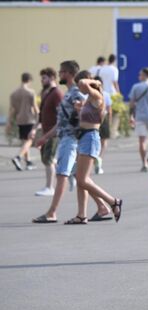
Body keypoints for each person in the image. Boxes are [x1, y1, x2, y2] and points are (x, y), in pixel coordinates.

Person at [32, 61, 110, 223]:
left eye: (61, 72)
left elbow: (87, 114)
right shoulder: (69, 93)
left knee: (62, 174)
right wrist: (46, 137)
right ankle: (102, 206)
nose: (59, 74)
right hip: (72, 139)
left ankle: (52, 212)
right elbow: (63, 122)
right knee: (81, 178)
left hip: (72, 140)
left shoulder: (76, 93)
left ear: (68, 73)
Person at [65, 75, 122, 225]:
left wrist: (94, 82)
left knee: (82, 179)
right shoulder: (89, 100)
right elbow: (86, 119)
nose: (80, 87)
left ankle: (113, 201)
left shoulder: (96, 95)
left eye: (82, 85)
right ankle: (81, 215)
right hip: (84, 137)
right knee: (80, 177)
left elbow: (83, 82)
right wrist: (79, 109)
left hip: (90, 138)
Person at [34, 67, 64, 196]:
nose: (42, 80)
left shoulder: (57, 93)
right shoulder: (46, 93)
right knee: (47, 159)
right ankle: (69, 174)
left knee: (48, 159)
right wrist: (34, 129)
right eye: (41, 78)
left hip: (53, 132)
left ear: (52, 78)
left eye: (44, 78)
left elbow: (61, 114)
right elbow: (41, 114)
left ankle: (49, 187)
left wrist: (55, 129)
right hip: (45, 131)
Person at [8, 72, 39, 171]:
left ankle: (28, 162)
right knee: (29, 141)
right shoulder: (30, 92)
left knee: (25, 142)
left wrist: (9, 122)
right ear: (29, 80)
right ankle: (18, 157)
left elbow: (12, 109)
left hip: (19, 120)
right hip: (29, 119)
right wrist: (39, 117)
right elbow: (35, 107)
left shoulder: (14, 93)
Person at [94, 76, 112, 175]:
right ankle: (99, 158)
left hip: (93, 119)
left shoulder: (90, 94)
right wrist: (109, 120)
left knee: (99, 140)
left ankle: (97, 157)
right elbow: (109, 109)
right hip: (102, 118)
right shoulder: (105, 94)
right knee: (103, 141)